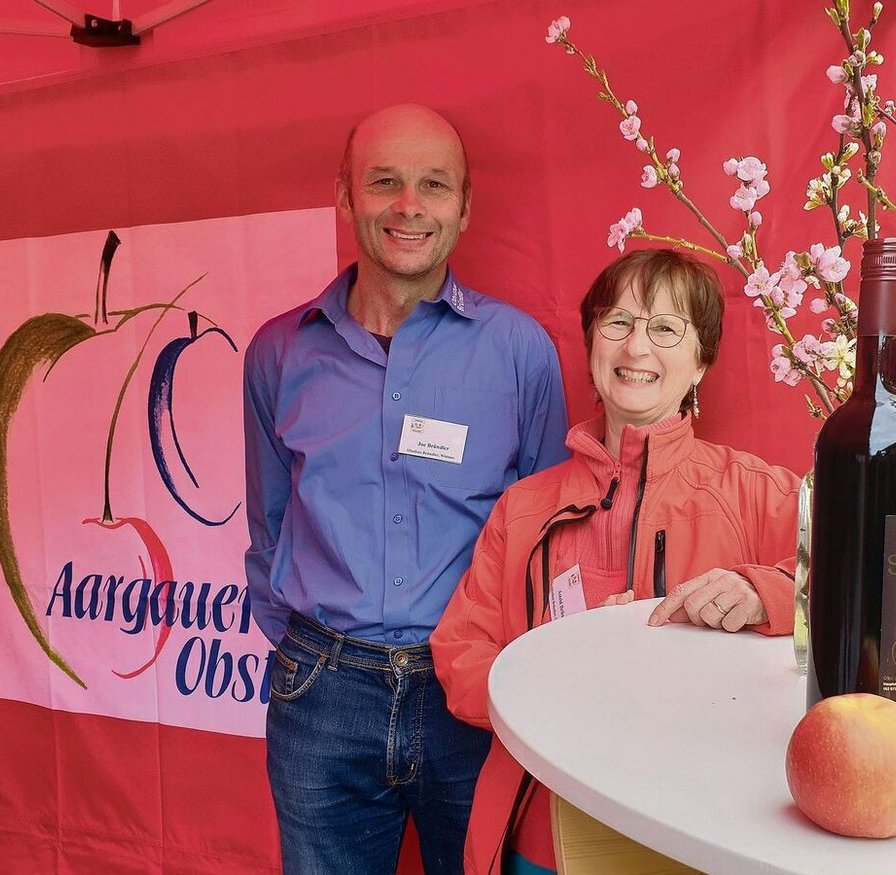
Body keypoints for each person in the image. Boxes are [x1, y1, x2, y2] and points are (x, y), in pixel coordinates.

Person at [242, 103, 570, 873]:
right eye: (385, 181)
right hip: (322, 693)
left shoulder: (520, 351)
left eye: (434, 185)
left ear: (464, 207)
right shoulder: (278, 353)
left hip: (473, 692)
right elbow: (269, 521)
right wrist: (308, 652)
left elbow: (549, 538)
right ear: (345, 195)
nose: (409, 206)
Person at [430, 249, 800, 874]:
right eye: (618, 322)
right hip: (540, 835)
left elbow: (860, 587)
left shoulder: (756, 493)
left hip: (704, 832)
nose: (637, 347)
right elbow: (460, 652)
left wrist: (765, 591)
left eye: (666, 328)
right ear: (591, 344)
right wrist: (563, 674)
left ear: (701, 361)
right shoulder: (524, 509)